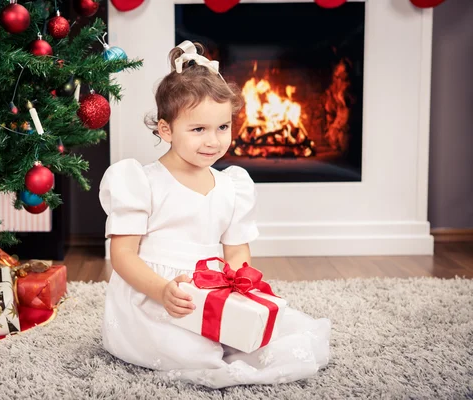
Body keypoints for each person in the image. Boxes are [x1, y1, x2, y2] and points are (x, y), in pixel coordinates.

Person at [98, 40, 331, 388]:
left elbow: (236, 252)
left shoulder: (231, 186)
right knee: (196, 353)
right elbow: (122, 256)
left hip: (212, 289)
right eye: (198, 130)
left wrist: (242, 291)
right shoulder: (141, 181)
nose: (213, 141)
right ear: (166, 130)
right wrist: (162, 291)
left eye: (223, 127)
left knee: (265, 336)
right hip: (156, 293)